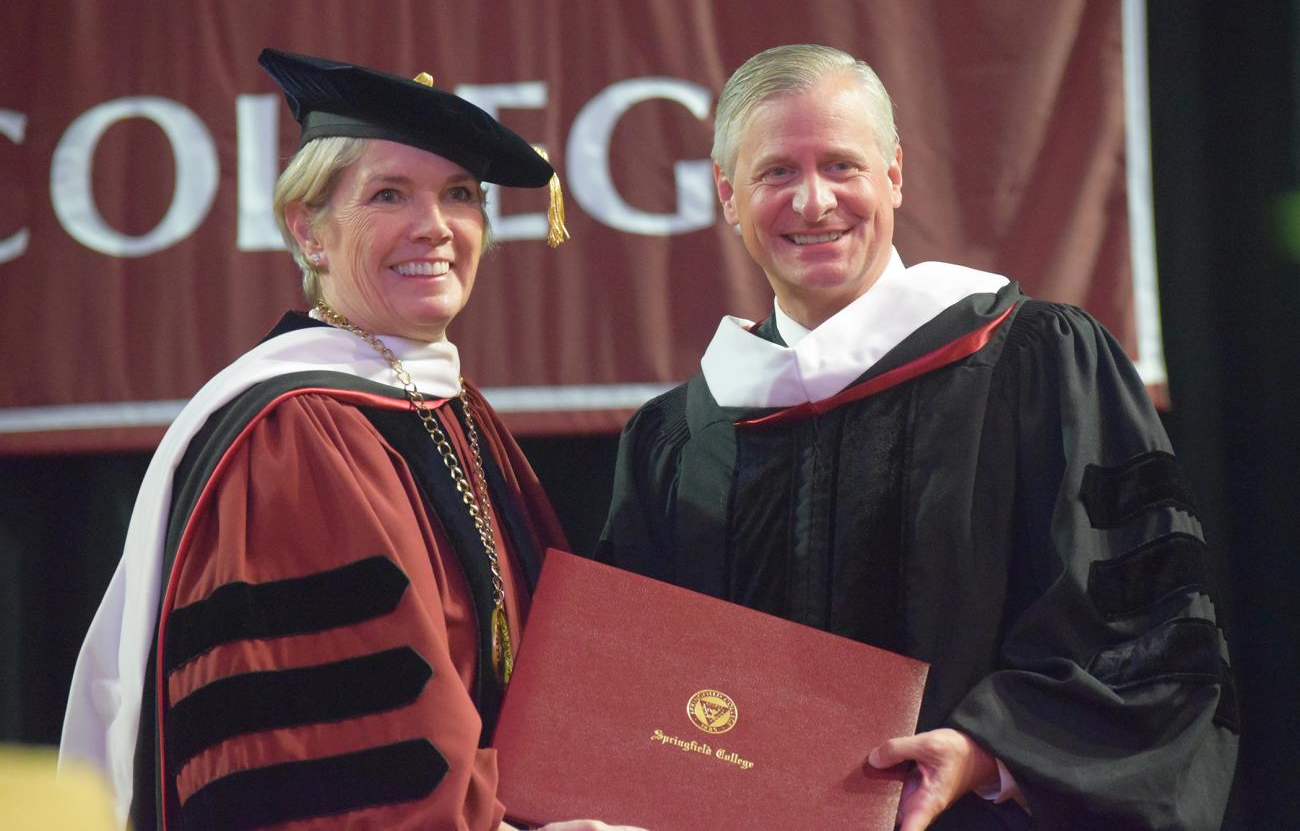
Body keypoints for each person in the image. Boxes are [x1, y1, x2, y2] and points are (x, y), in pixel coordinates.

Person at [597, 44, 1238, 830]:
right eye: (775, 174)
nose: (812, 202)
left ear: (894, 174)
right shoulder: (677, 438)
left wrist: (989, 751)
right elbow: (633, 689)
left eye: (841, 165)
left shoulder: (1032, 364)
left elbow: (1145, 632)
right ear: (728, 196)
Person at [61, 49, 639, 831]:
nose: (434, 227)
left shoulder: (451, 406)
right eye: (389, 194)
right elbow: (336, 755)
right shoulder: (293, 435)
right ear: (310, 230)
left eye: (460, 195)